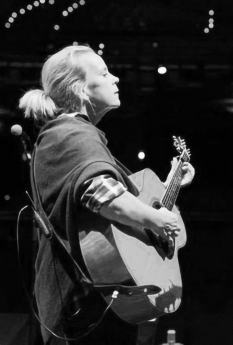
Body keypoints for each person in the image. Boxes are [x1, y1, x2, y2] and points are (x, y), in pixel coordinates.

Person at [19, 45, 195, 344]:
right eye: (104, 73)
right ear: (80, 89)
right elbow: (102, 196)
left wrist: (170, 188)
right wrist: (156, 218)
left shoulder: (70, 134)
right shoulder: (74, 134)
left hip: (92, 297)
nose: (115, 78)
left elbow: (106, 204)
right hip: (83, 301)